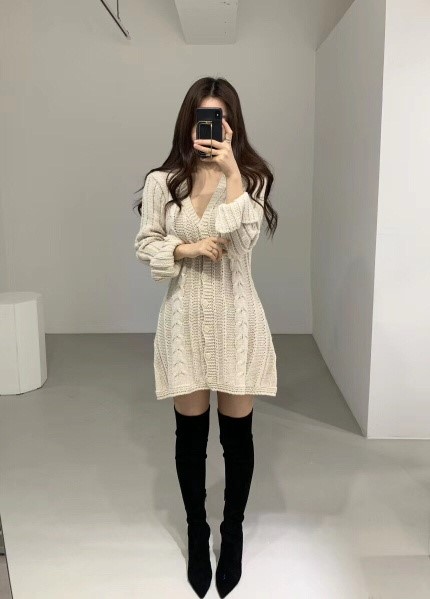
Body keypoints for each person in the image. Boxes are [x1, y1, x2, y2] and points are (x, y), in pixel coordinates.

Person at [133, 76, 278, 598]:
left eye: (220, 118)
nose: (210, 129)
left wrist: (233, 169)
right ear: (189, 120)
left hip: (237, 321)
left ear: (232, 124)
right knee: (190, 440)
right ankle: (198, 532)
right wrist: (185, 250)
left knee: (237, 440)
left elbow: (246, 239)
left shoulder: (252, 179)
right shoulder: (163, 182)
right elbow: (145, 243)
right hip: (184, 322)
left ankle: (231, 531)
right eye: (203, 118)